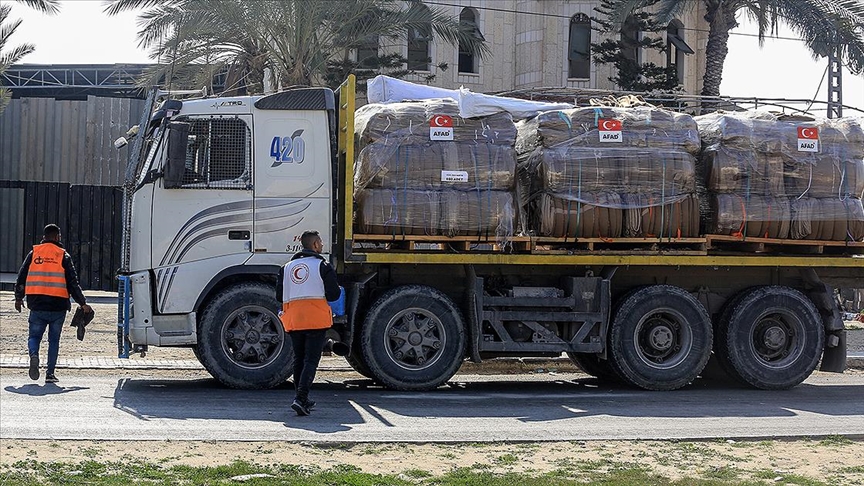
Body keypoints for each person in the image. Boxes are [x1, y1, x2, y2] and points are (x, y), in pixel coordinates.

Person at [14, 224, 92, 383]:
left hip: (37, 305)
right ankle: (50, 374)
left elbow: (21, 277)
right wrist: (82, 303)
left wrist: (18, 298)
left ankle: (34, 354)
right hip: (58, 306)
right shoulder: (63, 255)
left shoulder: (34, 253)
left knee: (34, 336)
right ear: (57, 237)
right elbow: (73, 283)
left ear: (44, 236)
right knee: (54, 340)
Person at [276, 230, 340, 416]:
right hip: (315, 319)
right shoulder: (322, 266)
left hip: (294, 320)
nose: (321, 245)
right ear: (314, 245)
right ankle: (301, 398)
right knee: (311, 360)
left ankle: (301, 397)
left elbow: (279, 296)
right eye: (320, 242)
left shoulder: (286, 268)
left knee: (299, 359)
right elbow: (334, 295)